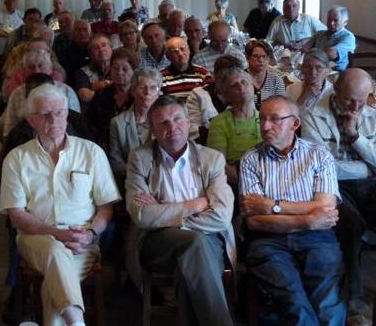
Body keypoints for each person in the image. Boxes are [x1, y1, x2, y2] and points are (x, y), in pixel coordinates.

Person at [0, 84, 121, 326]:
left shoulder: (91, 152)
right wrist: (57, 233)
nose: (54, 120)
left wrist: (88, 234)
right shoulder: (17, 158)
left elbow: (106, 207)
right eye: (45, 114)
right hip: (35, 239)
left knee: (53, 285)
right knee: (55, 251)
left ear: (67, 115)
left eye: (59, 113)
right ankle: (77, 322)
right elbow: (17, 215)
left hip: (82, 242)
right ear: (32, 120)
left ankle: (74, 322)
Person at [125, 95, 235, 326]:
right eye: (163, 123)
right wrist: (193, 206)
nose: (172, 127)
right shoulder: (140, 158)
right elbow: (142, 216)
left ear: (188, 123)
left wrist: (164, 213)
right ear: (152, 130)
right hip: (157, 243)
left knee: (191, 259)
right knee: (195, 244)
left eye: (177, 119)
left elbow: (222, 217)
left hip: (208, 240)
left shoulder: (211, 159)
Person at [239, 96, 345, 325]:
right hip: (269, 241)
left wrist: (271, 206)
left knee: (326, 300)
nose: (266, 126)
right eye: (263, 119)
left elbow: (326, 207)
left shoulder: (319, 155)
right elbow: (255, 221)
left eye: (275, 119)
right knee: (292, 299)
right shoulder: (250, 160)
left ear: (294, 123)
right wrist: (308, 220)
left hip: (317, 238)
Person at [300, 68, 376, 318]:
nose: (357, 106)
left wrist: (355, 136)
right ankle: (354, 297)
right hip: (332, 186)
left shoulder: (375, 118)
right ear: (335, 90)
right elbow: (320, 167)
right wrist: (364, 166)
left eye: (362, 99)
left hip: (371, 186)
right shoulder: (313, 116)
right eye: (350, 99)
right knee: (350, 223)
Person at [2, 50, 80, 137]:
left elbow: (76, 125)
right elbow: (9, 129)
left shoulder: (67, 91)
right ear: (24, 72)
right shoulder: (17, 94)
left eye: (41, 66)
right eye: (31, 67)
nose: (37, 71)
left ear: (50, 69)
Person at [108, 68, 161, 192]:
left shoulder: (166, 121)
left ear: (159, 93)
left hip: (163, 181)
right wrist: (140, 176)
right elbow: (116, 163)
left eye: (153, 88)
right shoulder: (117, 122)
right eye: (142, 87)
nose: (148, 92)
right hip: (132, 184)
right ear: (133, 91)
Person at [207, 68, 261, 186]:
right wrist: (249, 184)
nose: (241, 87)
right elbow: (218, 165)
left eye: (244, 82)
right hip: (236, 184)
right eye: (234, 85)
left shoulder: (266, 118)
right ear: (226, 95)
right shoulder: (219, 123)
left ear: (253, 87)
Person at [85, 48, 137, 147]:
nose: (119, 72)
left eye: (124, 69)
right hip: (104, 143)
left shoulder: (138, 94)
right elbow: (90, 121)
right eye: (115, 68)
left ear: (133, 71)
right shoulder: (102, 93)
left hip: (131, 143)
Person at [308, 5, 356, 71]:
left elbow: (331, 53)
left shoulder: (348, 37)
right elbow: (304, 48)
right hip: (316, 69)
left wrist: (311, 53)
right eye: (329, 19)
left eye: (336, 20)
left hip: (336, 73)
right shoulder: (319, 34)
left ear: (345, 23)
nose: (331, 23)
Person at [286, 48, 334, 112]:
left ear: (327, 71)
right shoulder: (291, 89)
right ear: (302, 69)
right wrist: (303, 98)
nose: (313, 72)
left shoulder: (334, 94)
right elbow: (285, 117)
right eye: (308, 67)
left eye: (319, 68)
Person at [245, 39, 286, 109]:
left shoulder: (276, 81)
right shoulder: (240, 78)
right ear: (248, 57)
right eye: (255, 56)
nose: (260, 60)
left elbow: (280, 107)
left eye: (264, 56)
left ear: (269, 59)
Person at [74, 33, 113, 105]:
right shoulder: (82, 72)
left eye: (104, 45)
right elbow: (85, 96)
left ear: (111, 49)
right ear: (91, 54)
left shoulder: (120, 67)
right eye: (96, 48)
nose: (101, 49)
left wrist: (102, 85)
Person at [58, 19, 91, 87]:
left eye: (85, 30)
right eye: (78, 30)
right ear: (72, 33)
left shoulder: (94, 48)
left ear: (90, 33)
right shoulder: (65, 52)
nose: (82, 33)